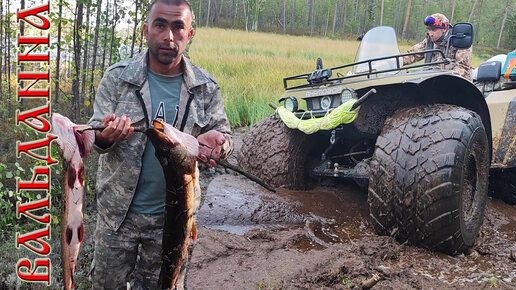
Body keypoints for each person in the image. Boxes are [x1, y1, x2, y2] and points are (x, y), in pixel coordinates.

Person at [87, 0, 233, 288]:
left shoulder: (205, 87)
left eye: (178, 27)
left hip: (174, 221)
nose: (169, 36)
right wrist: (106, 135)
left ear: (190, 34)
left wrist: (220, 146)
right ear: (146, 31)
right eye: (160, 25)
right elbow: (94, 134)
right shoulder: (118, 78)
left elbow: (224, 136)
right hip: (117, 216)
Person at [403, 13, 473, 80]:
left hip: (459, 86)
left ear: (444, 29)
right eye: (429, 29)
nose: (430, 34)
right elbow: (413, 54)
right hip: (433, 84)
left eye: (434, 30)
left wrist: (442, 79)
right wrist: (396, 62)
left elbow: (463, 68)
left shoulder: (459, 42)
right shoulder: (429, 41)